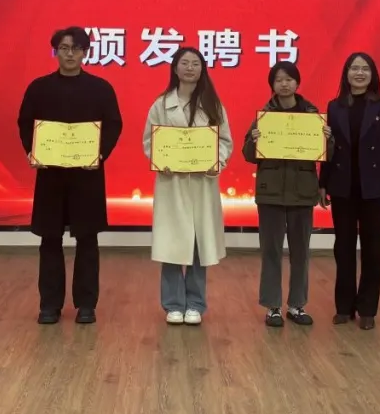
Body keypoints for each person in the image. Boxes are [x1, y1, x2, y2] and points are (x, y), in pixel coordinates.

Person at [17, 26, 123, 325]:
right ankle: (49, 305)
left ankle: (86, 305)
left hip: (87, 175)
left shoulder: (100, 88)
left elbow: (113, 124)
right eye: (64, 48)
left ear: (85, 52)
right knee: (50, 239)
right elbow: (25, 122)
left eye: (76, 48)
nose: (70, 54)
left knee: (87, 240)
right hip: (50, 174)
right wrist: (33, 151)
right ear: (56, 52)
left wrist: (99, 154)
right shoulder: (39, 88)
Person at [142, 47, 232, 325]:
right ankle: (172, 304)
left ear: (202, 69)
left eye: (195, 63)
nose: (190, 68)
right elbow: (150, 141)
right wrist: (161, 160)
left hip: (202, 183)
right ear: (175, 68)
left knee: (198, 246)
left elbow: (225, 141)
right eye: (185, 63)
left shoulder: (213, 104)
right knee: (171, 245)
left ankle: (195, 303)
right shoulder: (161, 105)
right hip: (172, 183)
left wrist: (216, 161)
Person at [242, 62, 333, 328]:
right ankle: (272, 307)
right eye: (279, 80)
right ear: (272, 84)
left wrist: (327, 139)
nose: (284, 84)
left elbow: (328, 154)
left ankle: (297, 305)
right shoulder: (265, 117)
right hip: (270, 193)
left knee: (300, 252)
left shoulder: (312, 116)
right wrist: (254, 140)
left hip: (302, 192)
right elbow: (248, 155)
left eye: (289, 79)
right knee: (271, 251)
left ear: (297, 83)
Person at [319, 52, 380, 330]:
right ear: (346, 74)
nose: (359, 73)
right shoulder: (335, 106)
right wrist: (322, 183)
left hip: (374, 188)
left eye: (365, 68)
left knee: (371, 250)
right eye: (354, 68)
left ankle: (367, 309)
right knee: (343, 248)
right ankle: (344, 307)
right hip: (342, 187)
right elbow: (328, 149)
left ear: (372, 74)